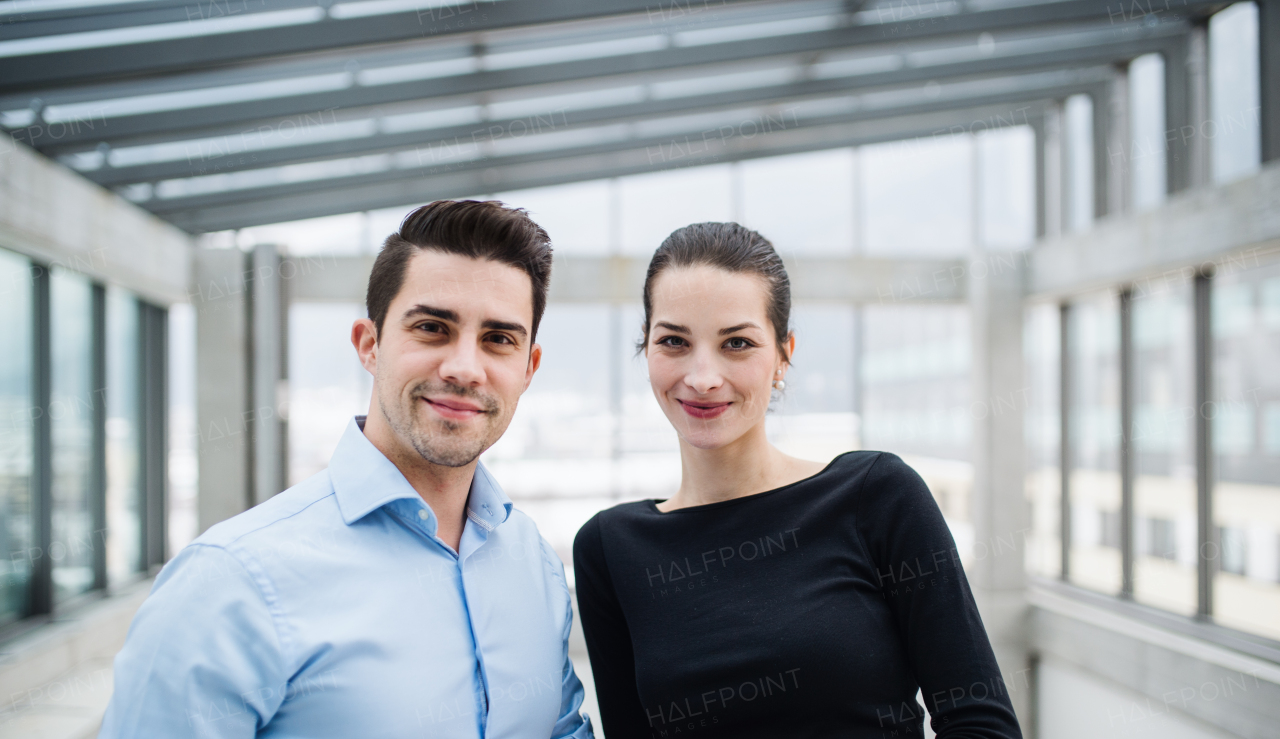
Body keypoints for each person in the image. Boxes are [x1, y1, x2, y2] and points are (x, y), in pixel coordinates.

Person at [102, 201, 594, 739]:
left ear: (528, 368)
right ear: (369, 344)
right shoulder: (230, 582)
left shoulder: (531, 563)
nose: (463, 369)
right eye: (432, 328)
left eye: (498, 339)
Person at [572, 222, 1022, 739]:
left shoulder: (874, 496)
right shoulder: (610, 548)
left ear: (783, 354)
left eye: (736, 343)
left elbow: (981, 725)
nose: (702, 378)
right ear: (646, 349)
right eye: (674, 341)